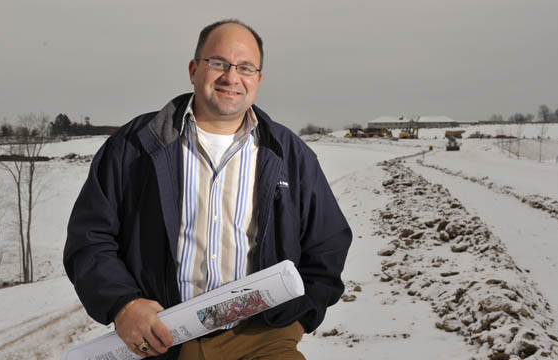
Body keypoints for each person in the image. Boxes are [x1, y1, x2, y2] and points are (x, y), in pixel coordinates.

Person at [64, 19, 351, 360]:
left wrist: (297, 320)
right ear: (193, 69)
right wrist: (124, 305)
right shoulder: (134, 146)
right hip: (161, 337)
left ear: (258, 79)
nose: (231, 77)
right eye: (218, 63)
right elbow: (90, 237)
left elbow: (328, 246)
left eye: (245, 67)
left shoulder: (289, 154)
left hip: (260, 338)